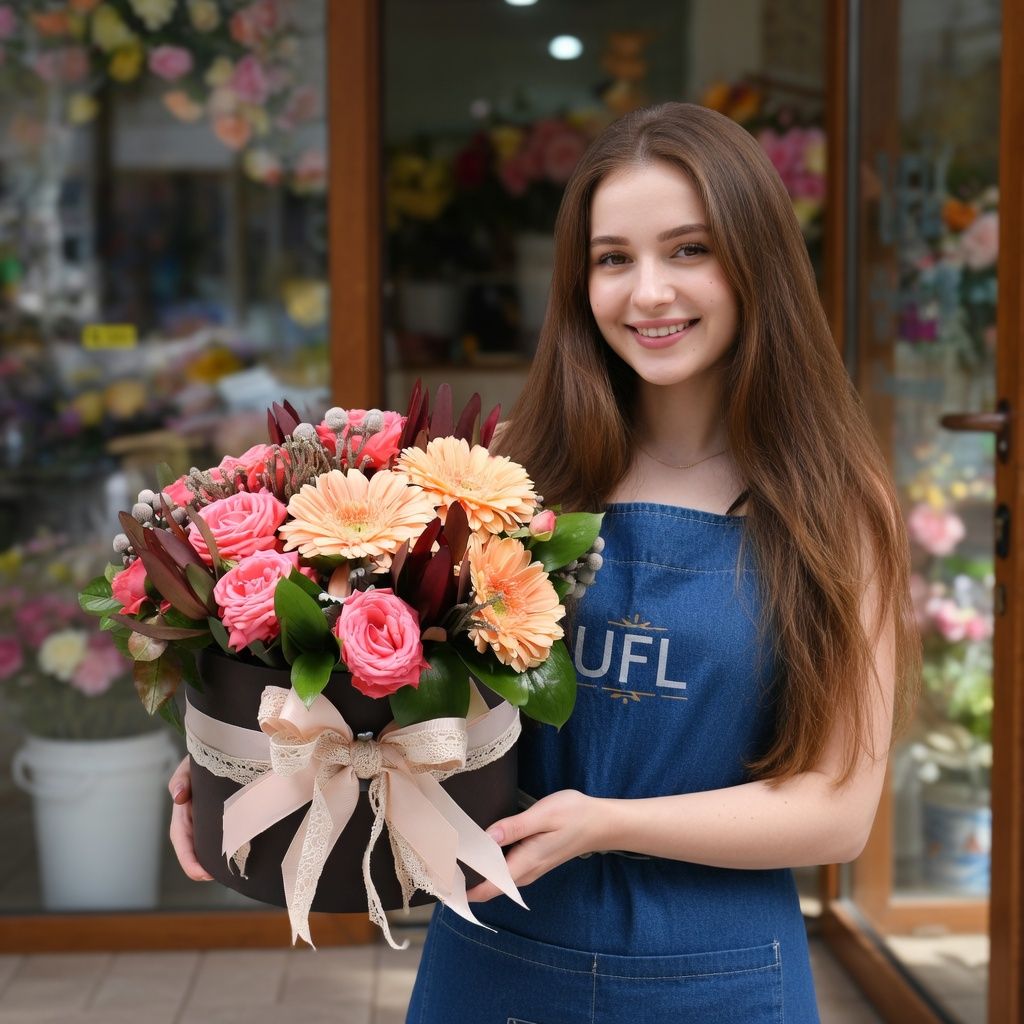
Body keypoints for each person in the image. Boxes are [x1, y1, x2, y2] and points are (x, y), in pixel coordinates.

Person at [169, 101, 919, 1023]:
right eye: (614, 259)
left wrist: (606, 823)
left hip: (722, 978)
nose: (648, 292)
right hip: (494, 958)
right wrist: (242, 753)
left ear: (757, 261)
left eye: (690, 250)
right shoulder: (511, 474)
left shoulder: (837, 506)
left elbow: (836, 812)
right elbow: (385, 686)